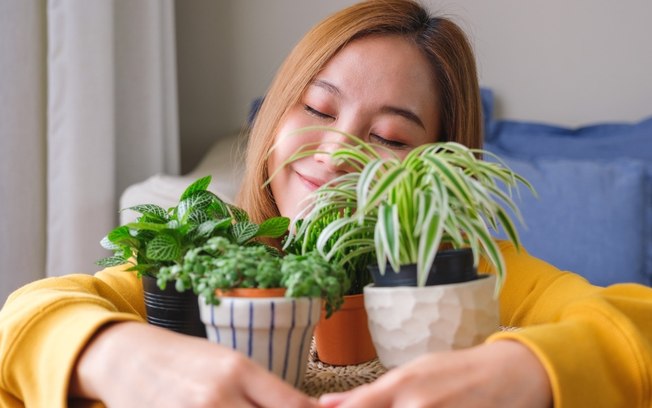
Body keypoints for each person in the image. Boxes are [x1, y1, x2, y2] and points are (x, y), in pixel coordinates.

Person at [1, 0, 650, 406]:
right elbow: (29, 316)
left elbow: (635, 321)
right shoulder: (221, 254)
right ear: (276, 115)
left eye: (390, 136)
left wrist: (524, 371)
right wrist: (119, 355)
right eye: (316, 107)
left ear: (437, 166)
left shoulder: (474, 276)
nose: (338, 151)